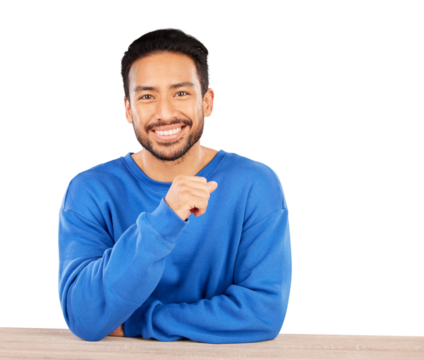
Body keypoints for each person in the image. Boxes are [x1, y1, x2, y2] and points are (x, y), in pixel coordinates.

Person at [57, 25, 292, 344]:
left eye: (181, 93)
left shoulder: (255, 183)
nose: (165, 113)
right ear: (128, 109)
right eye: (147, 96)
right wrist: (166, 217)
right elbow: (84, 316)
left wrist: (141, 322)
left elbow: (262, 313)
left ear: (208, 101)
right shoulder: (89, 189)